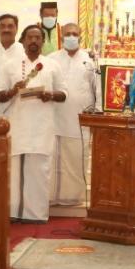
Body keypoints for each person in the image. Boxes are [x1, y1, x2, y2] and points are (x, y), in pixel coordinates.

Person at [0, 25, 67, 223]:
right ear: (23, 40)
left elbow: (64, 93)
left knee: (39, 170)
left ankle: (36, 215)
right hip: (18, 124)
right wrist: (12, 91)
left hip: (42, 125)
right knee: (14, 170)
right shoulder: (10, 65)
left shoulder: (52, 65)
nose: (34, 41)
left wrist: (49, 95)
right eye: (30, 37)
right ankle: (13, 212)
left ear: (43, 41)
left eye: (37, 38)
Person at [47, 23, 101, 206]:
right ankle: (52, 197)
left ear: (80, 36)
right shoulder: (52, 59)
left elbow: (97, 89)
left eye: (74, 34)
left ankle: (74, 198)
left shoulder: (90, 61)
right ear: (62, 36)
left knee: (76, 159)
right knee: (55, 160)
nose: (71, 37)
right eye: (68, 34)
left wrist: (96, 113)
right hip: (56, 117)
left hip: (80, 119)